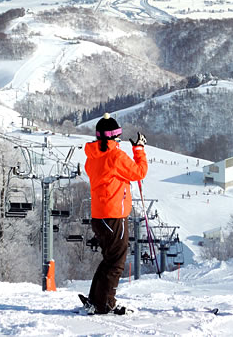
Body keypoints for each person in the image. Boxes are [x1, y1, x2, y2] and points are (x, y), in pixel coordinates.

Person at [84, 113, 147, 315]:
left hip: (99, 216)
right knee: (116, 262)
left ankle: (96, 300)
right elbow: (139, 172)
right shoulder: (116, 156)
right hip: (114, 215)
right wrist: (139, 149)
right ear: (114, 136)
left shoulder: (92, 158)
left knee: (108, 259)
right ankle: (105, 303)